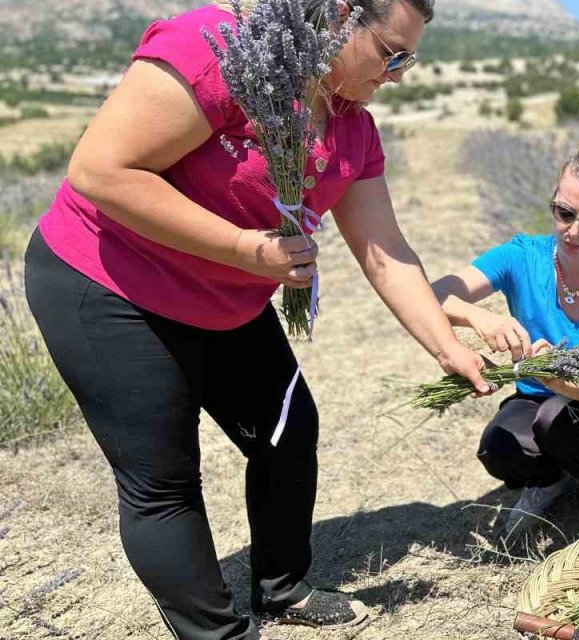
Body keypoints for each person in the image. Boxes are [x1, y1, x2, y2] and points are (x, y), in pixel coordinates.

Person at [23, 1, 492, 638]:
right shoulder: (216, 50)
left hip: (223, 298)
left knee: (288, 432)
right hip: (112, 286)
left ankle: (282, 588)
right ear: (341, 15)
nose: (398, 74)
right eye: (392, 53)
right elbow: (100, 170)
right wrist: (248, 249)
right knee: (165, 482)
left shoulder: (351, 127)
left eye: (409, 59)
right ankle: (219, 632)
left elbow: (385, 253)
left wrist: (446, 347)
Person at [431, 114, 579, 532]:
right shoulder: (522, 256)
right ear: (552, 201)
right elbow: (432, 295)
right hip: (539, 401)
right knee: (499, 448)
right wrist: (479, 316)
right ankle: (549, 480)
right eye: (563, 212)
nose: (573, 231)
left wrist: (555, 373)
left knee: (557, 418)